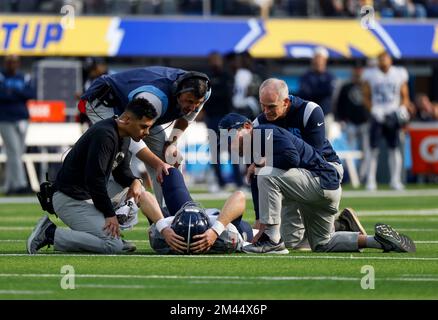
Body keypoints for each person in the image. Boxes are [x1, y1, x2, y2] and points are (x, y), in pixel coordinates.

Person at [218, 113, 416, 254]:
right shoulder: (255, 147)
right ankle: (377, 241)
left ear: (246, 127)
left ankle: (272, 241)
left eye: (230, 137)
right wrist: (260, 227)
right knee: (322, 243)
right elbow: (258, 185)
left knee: (266, 175)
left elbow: (292, 158)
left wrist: (262, 164)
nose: (229, 145)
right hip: (318, 189)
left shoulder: (265, 132)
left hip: (321, 181)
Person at [26, 99, 183, 254]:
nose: (147, 133)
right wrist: (109, 214)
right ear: (127, 119)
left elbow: (121, 173)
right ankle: (50, 233)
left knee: (139, 190)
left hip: (87, 195)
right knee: (111, 246)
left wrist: (135, 180)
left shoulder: (124, 135)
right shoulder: (105, 135)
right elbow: (95, 180)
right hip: (70, 200)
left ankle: (163, 229)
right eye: (144, 127)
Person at [251, 78, 363, 250]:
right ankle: (341, 227)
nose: (266, 112)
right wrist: (259, 219)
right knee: (291, 243)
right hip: (289, 172)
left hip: (325, 169)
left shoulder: (309, 111)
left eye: (271, 106)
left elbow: (314, 157)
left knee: (269, 173)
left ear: (286, 102)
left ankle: (329, 226)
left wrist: (273, 161)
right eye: (262, 106)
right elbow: (257, 173)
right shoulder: (259, 123)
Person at [79, 66, 211, 208]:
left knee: (166, 158)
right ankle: (106, 207)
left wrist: (171, 143)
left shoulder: (204, 91)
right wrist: (158, 164)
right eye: (189, 101)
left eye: (197, 103)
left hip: (140, 108)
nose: (193, 107)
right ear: (177, 91)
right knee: (119, 153)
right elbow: (131, 135)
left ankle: (170, 213)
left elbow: (187, 117)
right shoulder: (154, 99)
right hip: (105, 102)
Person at [149, 168, 253, 254]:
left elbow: (144, 197)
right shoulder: (227, 234)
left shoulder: (168, 225)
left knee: (170, 173)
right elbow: (239, 196)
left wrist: (162, 228)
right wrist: (217, 230)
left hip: (217, 226)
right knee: (245, 231)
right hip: (222, 228)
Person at [362, 51, 411, 191]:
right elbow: (365, 95)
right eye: (381, 59)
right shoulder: (370, 74)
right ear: (377, 60)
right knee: (373, 149)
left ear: (390, 60)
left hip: (392, 114)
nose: (383, 61)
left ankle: (395, 180)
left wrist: (402, 107)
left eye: (385, 58)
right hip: (377, 114)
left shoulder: (398, 73)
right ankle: (371, 181)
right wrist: (372, 109)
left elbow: (405, 96)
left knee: (394, 148)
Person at [0, 55, 35, 195]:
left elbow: (31, 93)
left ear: (18, 63)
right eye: (10, 62)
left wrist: (12, 93)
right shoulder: (1, 76)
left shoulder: (23, 76)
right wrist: (19, 94)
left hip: (22, 119)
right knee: (14, 152)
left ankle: (9, 187)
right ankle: (21, 184)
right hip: (6, 119)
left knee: (16, 154)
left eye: (14, 62)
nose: (12, 64)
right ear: (5, 63)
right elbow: (2, 95)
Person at [334, 65, 371, 183]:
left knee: (366, 151)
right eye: (356, 71)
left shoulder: (367, 86)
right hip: (350, 123)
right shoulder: (346, 86)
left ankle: (362, 176)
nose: (358, 74)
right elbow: (339, 103)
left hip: (365, 122)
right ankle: (347, 176)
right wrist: (340, 118)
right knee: (348, 152)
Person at [298, 46, 336, 136]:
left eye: (320, 58)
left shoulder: (329, 76)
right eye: (316, 58)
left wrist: (314, 91)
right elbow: (304, 93)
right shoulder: (306, 76)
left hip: (325, 114)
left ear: (325, 60)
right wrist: (319, 90)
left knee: (326, 142)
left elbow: (329, 91)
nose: (318, 61)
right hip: (310, 113)